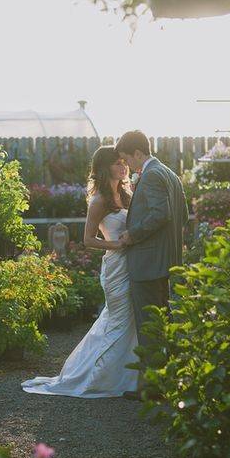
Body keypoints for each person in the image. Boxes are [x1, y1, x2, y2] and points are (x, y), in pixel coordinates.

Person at [21, 146, 139, 398]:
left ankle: (130, 376)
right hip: (116, 265)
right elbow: (89, 239)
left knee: (131, 320)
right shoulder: (99, 200)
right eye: (117, 163)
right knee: (117, 321)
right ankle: (98, 377)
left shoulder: (128, 194)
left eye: (123, 162)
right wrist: (117, 244)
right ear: (104, 167)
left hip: (135, 264)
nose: (123, 166)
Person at [116, 130, 189, 400]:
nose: (128, 167)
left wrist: (133, 235)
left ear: (138, 153)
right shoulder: (170, 174)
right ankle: (168, 380)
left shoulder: (152, 175)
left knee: (149, 323)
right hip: (164, 259)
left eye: (128, 159)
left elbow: (162, 213)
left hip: (148, 262)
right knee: (161, 320)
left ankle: (152, 388)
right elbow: (182, 216)